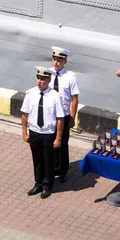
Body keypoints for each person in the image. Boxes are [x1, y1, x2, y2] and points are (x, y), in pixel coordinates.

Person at [21, 67, 64, 199]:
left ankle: (47, 185)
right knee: (37, 159)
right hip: (34, 132)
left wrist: (58, 138)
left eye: (43, 79)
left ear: (49, 80)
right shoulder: (30, 94)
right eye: (38, 78)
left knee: (48, 160)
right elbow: (24, 114)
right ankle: (38, 183)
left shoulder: (55, 97)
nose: (39, 81)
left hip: (48, 133)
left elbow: (60, 119)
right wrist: (24, 132)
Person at [49, 46, 80, 184]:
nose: (56, 63)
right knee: (50, 142)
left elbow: (74, 99)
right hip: (49, 115)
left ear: (65, 61)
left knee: (62, 144)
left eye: (59, 60)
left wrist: (72, 117)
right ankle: (52, 167)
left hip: (64, 115)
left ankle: (62, 171)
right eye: (55, 59)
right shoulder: (47, 74)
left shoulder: (70, 77)